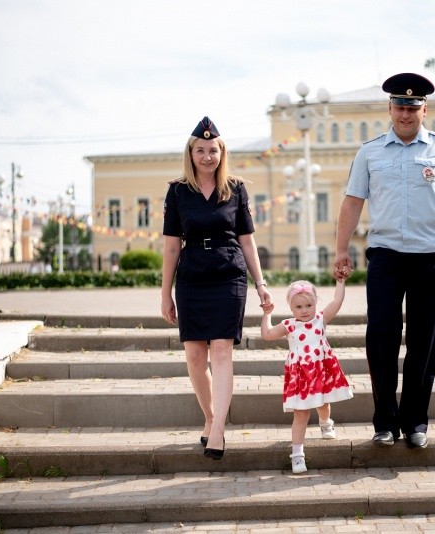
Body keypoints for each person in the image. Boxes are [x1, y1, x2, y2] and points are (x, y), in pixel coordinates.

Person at [333, 72, 435, 449]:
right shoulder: (370, 151)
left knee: (423, 342)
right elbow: (352, 202)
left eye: (413, 107)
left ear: (424, 109)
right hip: (385, 258)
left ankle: (415, 423)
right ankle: (384, 422)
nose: (406, 114)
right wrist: (341, 249)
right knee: (380, 338)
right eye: (400, 107)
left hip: (431, 258)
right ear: (390, 109)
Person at [161, 116, 272, 460]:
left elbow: (248, 241)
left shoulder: (236, 188)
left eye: (213, 150)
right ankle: (210, 417)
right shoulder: (178, 191)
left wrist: (261, 283)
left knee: (222, 349)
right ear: (190, 153)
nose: (207, 156)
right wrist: (165, 292)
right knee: (195, 355)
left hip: (228, 273)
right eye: (201, 150)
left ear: (222, 152)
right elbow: (171, 246)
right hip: (192, 275)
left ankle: (219, 429)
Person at [260, 279, 353, 474]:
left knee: (323, 404)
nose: (304, 310)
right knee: (300, 414)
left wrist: (340, 282)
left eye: (309, 305)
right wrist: (266, 314)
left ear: (315, 304)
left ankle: (326, 422)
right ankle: (297, 454)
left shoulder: (320, 318)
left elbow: (337, 302)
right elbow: (267, 334)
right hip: (300, 375)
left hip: (321, 370)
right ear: (292, 308)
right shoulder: (289, 325)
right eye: (299, 306)